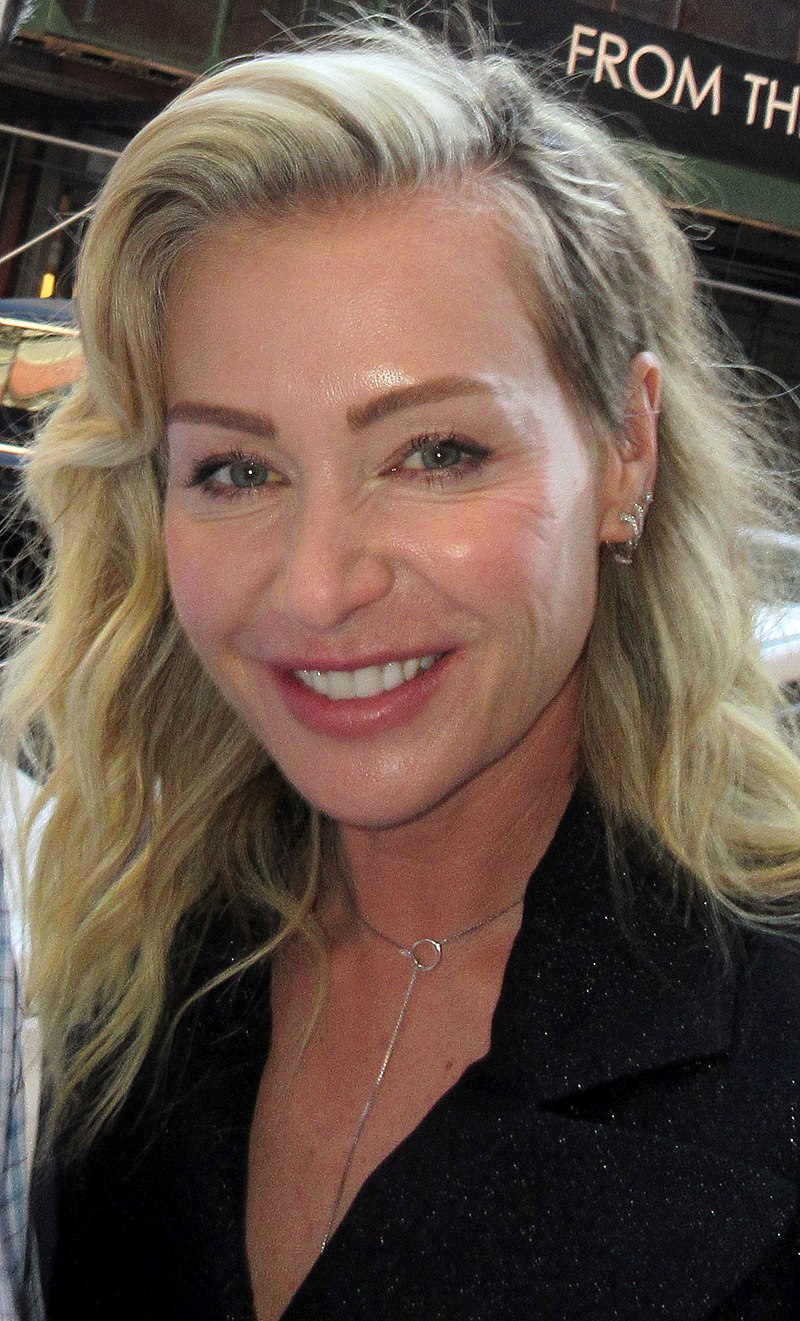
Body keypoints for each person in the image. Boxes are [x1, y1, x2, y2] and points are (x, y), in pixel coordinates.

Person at [4, 14, 800, 1320]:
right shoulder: (126, 965)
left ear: (627, 449)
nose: (318, 586)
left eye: (435, 452)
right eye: (237, 469)